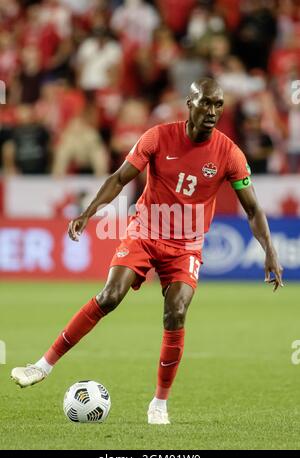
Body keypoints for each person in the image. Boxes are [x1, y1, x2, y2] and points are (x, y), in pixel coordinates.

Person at [11, 78, 283, 425]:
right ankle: (42, 365)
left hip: (186, 245)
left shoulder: (230, 153)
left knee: (177, 311)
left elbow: (253, 209)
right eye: (206, 103)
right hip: (146, 231)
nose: (213, 111)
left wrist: (269, 250)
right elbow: (120, 178)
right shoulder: (157, 137)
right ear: (190, 103)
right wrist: (89, 211)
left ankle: (159, 404)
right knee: (110, 295)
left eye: (218, 105)